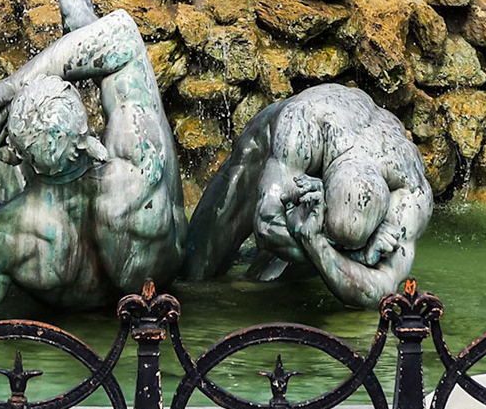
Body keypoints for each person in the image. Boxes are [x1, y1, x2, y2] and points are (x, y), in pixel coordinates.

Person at [0, 0, 185, 320]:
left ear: (20, 155)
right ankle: (85, 22)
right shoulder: (140, 163)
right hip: (153, 289)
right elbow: (123, 36)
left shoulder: (3, 230)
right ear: (88, 134)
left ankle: (81, 23)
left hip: (62, 289)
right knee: (134, 99)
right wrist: (19, 83)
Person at [181, 83, 433, 308]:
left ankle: (289, 257)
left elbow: (382, 291)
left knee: (267, 281)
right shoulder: (304, 124)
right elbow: (266, 225)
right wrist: (355, 256)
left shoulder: (411, 193)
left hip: (333, 178)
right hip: (270, 145)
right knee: (197, 269)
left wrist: (316, 241)